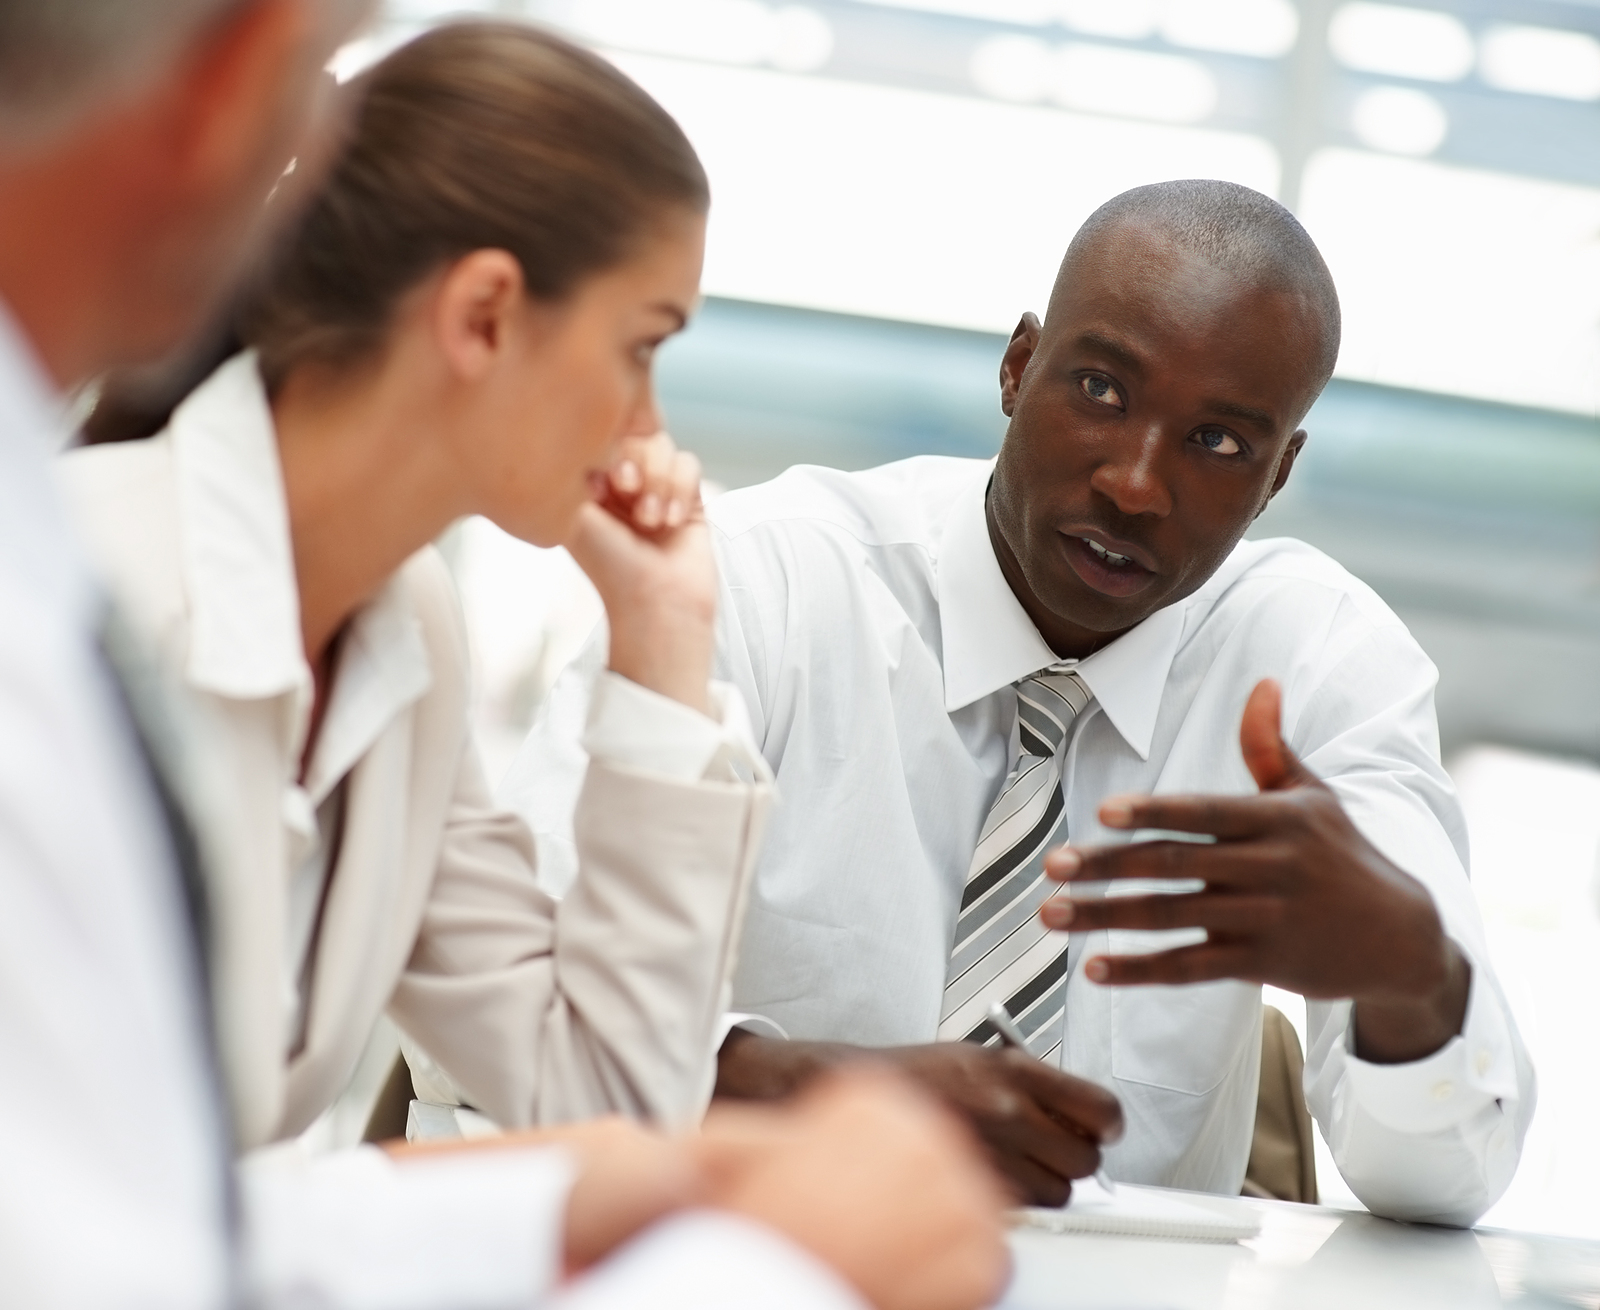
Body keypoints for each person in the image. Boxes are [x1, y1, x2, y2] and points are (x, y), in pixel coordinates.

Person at [2, 5, 1007, 1308]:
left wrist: (664, 646)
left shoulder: (401, 630)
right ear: (484, 316)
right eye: (641, 346)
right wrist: (767, 1260)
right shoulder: (84, 597)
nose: (651, 420)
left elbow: (599, 1101)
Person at [508, 180, 1536, 1227]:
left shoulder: (1318, 663)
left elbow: (1448, 1180)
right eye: (1099, 387)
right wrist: (807, 1087)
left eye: (1219, 443)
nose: (1136, 485)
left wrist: (1410, 975)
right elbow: (505, 1005)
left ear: (1278, 475)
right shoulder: (760, 583)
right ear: (1016, 366)